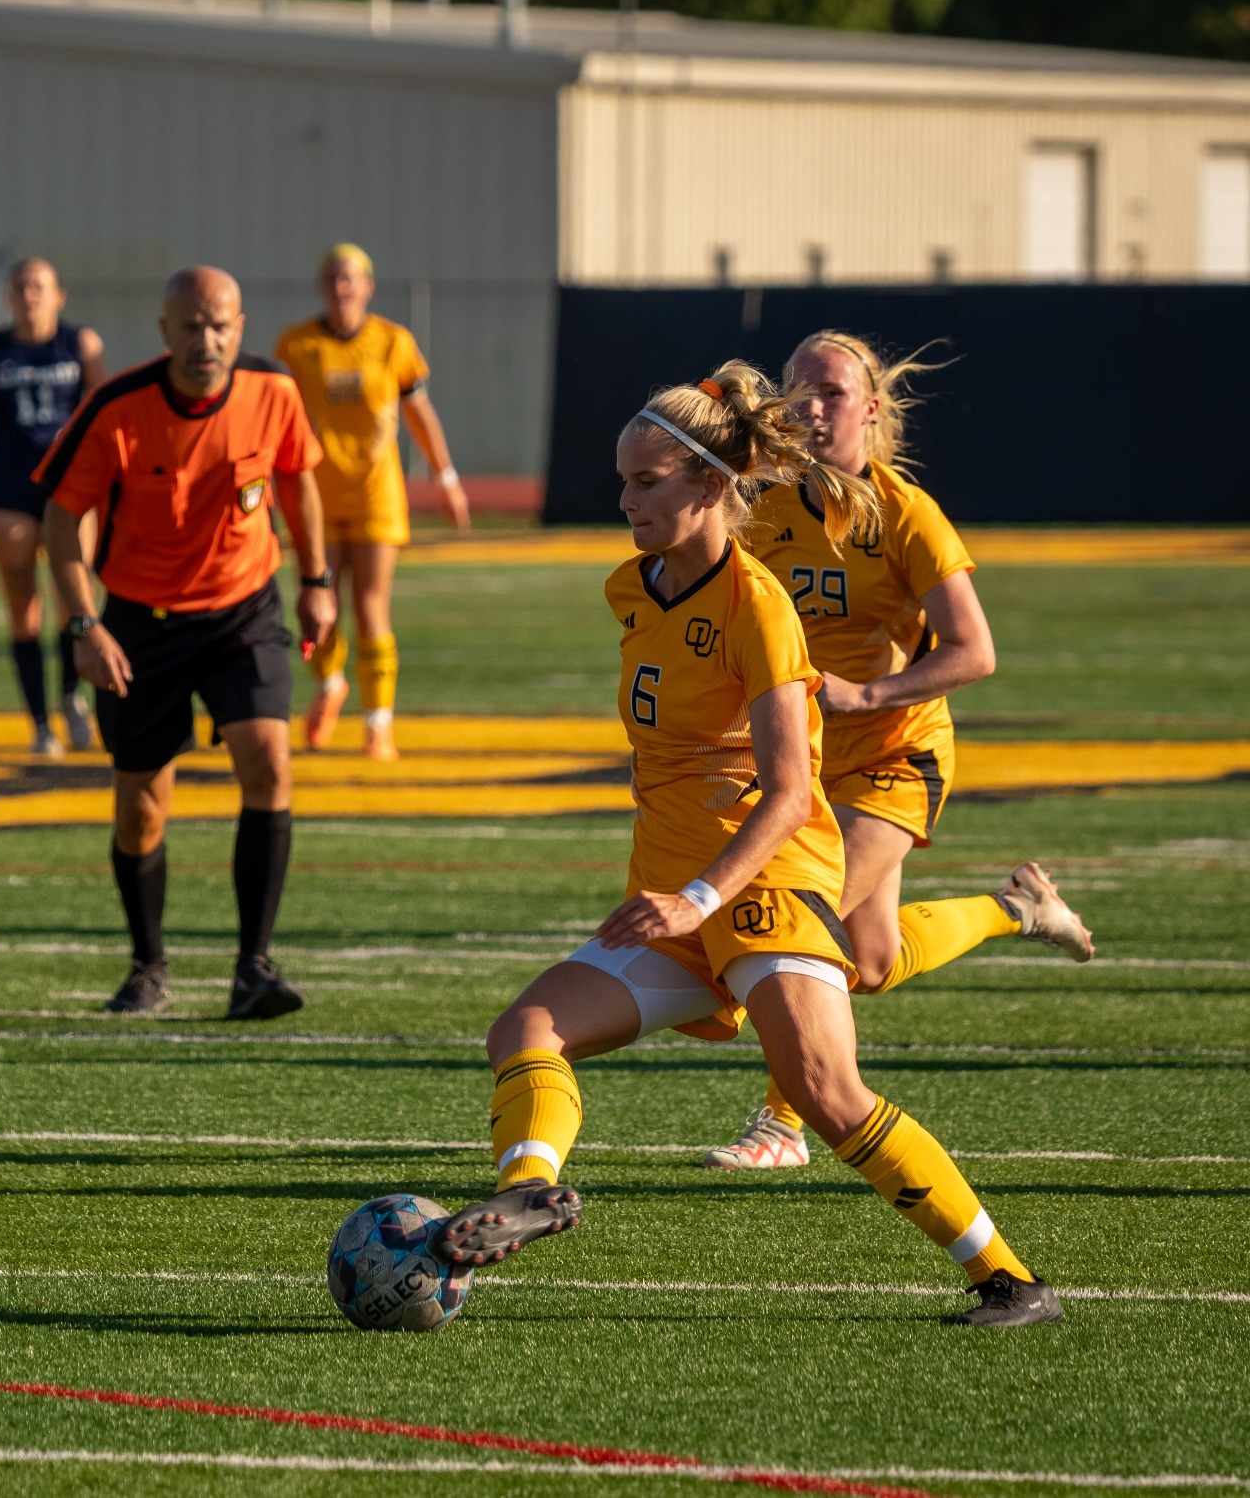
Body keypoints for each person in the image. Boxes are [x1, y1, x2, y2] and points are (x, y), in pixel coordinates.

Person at [427, 362, 1062, 1329]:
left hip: (760, 883)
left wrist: (701, 898)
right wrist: (676, 890)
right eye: (622, 480)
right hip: (676, 895)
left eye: (647, 481)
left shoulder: (759, 610)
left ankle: (1009, 1282)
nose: (625, 500)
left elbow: (793, 791)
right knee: (525, 1029)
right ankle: (529, 1194)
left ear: (711, 487)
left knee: (826, 1092)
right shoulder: (628, 589)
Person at [702, 331, 1095, 1171]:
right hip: (808, 759)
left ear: (872, 409)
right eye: (798, 389)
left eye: (833, 391)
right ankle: (1014, 908)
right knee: (872, 960)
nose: (812, 404)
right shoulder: (763, 509)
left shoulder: (904, 513)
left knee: (808, 927)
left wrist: (870, 694)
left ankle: (781, 1123)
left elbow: (974, 651)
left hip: (896, 753)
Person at [40, 266, 336, 1018]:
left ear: (240, 328)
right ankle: (148, 967)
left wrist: (318, 580)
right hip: (142, 624)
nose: (207, 340)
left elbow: (299, 478)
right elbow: (62, 514)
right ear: (166, 330)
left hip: (246, 610)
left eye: (221, 325)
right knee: (142, 805)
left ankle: (254, 969)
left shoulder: (274, 391)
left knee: (269, 762)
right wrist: (83, 624)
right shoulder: (118, 406)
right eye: (193, 326)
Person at [274, 244, 469, 763]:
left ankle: (378, 724)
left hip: (375, 495)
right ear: (322, 285)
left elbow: (420, 414)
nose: (342, 287)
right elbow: (277, 422)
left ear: (368, 286)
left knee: (370, 607)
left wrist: (446, 477)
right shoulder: (296, 345)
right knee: (320, 608)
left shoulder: (392, 342)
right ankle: (329, 684)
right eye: (334, 277)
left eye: (351, 278)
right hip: (316, 496)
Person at [0, 258, 107, 756]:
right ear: (9, 297)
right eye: (20, 287)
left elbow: (107, 422)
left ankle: (72, 698)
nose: (29, 294)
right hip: (10, 488)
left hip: (69, 488)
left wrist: (116, 491)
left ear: (59, 294)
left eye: (39, 286)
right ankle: (40, 724)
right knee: (22, 609)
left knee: (75, 601)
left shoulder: (83, 344)